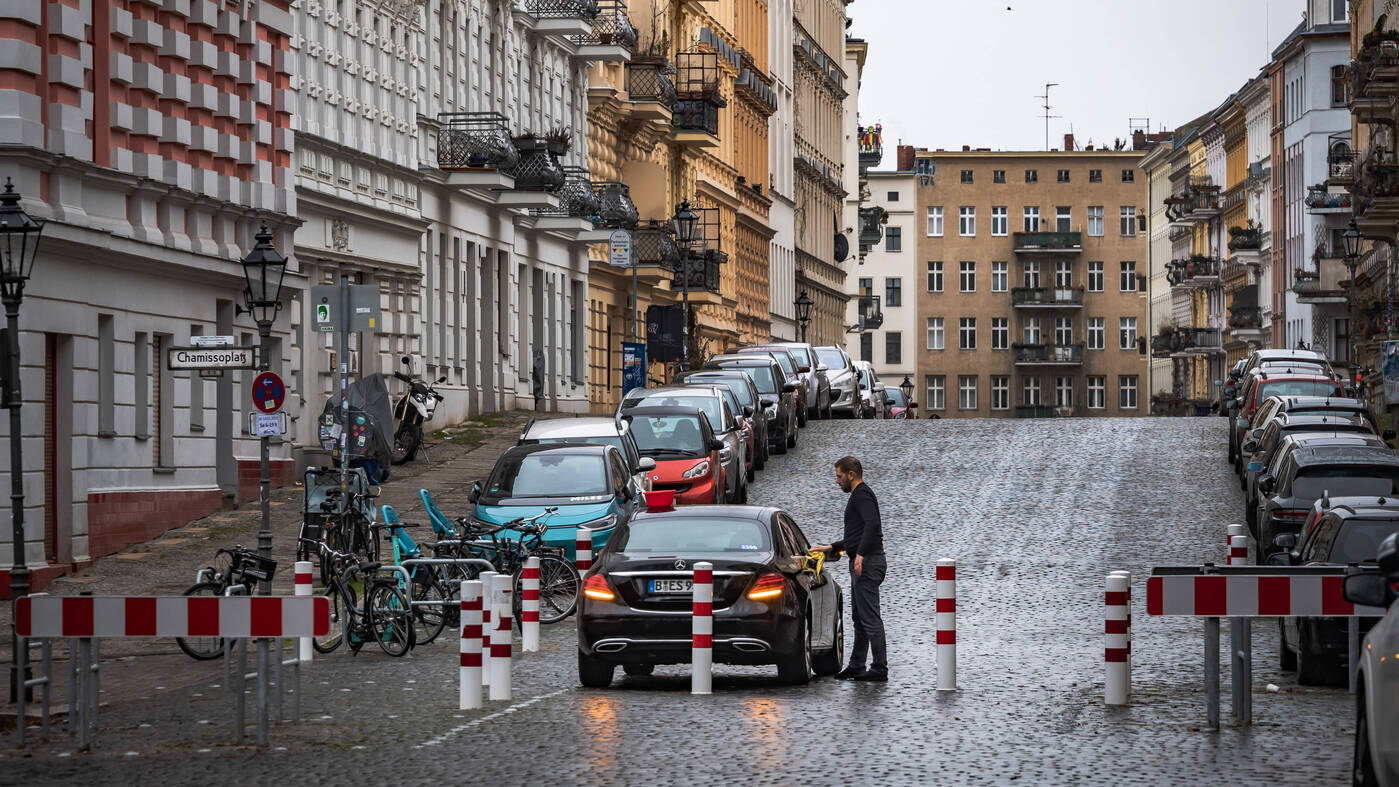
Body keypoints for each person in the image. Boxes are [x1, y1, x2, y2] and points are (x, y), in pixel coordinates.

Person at [815, 455, 887, 681]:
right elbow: (856, 535)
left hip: (868, 562)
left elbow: (872, 524)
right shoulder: (858, 496)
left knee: (870, 617)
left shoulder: (862, 495)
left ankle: (879, 668)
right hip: (863, 561)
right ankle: (857, 664)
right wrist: (832, 547)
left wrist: (861, 555)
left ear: (851, 475)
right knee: (859, 616)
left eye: (839, 476)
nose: (837, 481)